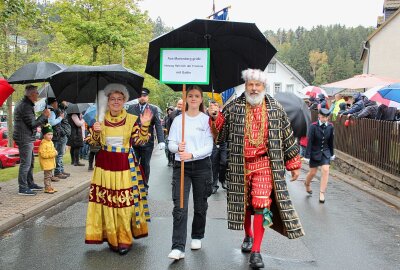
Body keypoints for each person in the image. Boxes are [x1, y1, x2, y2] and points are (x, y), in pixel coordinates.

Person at [208, 69, 304, 268]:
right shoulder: (233, 106)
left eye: (257, 85)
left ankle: (257, 251)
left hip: (264, 164)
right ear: (245, 86)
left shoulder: (275, 108)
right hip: (238, 165)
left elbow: (287, 135)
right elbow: (221, 135)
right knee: (243, 206)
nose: (253, 88)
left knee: (261, 204)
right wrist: (215, 117)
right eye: (250, 84)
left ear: (264, 86)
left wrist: (293, 163)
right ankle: (248, 236)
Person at [85, 83, 152, 255]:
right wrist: (95, 131)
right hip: (104, 166)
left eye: (119, 99)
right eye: (112, 99)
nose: (115, 102)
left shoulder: (131, 119)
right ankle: (111, 237)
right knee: (108, 203)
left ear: (124, 101)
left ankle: (124, 239)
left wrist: (144, 125)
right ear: (107, 102)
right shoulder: (99, 120)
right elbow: (93, 143)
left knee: (124, 204)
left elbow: (140, 141)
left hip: (124, 166)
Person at [167, 85, 213, 260]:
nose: (193, 99)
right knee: (180, 206)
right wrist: (178, 148)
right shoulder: (179, 120)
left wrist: (192, 153)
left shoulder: (205, 120)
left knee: (200, 205)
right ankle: (178, 246)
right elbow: (171, 143)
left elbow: (209, 146)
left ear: (201, 100)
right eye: (190, 96)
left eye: (197, 96)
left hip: (201, 166)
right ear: (186, 99)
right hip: (182, 167)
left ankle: (197, 235)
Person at [13, 85, 50, 195]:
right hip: (24, 138)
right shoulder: (25, 106)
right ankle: (23, 187)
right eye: (36, 93)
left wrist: (43, 117)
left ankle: (30, 183)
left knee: (31, 162)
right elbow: (33, 124)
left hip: (26, 137)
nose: (38, 95)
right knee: (26, 163)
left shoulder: (27, 104)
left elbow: (31, 122)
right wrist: (43, 116)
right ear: (31, 94)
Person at [127, 88, 165, 188]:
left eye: (144, 96)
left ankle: (144, 186)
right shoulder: (130, 108)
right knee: (132, 164)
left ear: (147, 97)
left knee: (145, 165)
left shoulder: (153, 109)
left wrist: (161, 140)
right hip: (134, 142)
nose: (142, 98)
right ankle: (133, 185)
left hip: (147, 143)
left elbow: (158, 125)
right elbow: (127, 125)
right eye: (140, 96)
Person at [304, 108, 335, 204]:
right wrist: (307, 156)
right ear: (319, 116)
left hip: (325, 152)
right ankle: (307, 183)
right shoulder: (313, 126)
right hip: (314, 151)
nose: (324, 119)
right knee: (313, 172)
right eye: (322, 117)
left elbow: (331, 141)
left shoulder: (330, 126)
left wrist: (332, 153)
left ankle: (322, 193)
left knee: (325, 170)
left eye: (326, 117)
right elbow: (310, 142)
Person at [47, 98, 71, 180]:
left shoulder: (54, 110)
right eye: (56, 102)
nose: (57, 104)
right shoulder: (52, 111)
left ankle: (60, 170)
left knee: (60, 154)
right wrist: (60, 118)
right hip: (57, 135)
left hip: (59, 134)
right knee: (58, 154)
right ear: (53, 103)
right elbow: (52, 122)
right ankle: (58, 172)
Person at [38, 124, 58, 194]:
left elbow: (53, 150)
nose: (50, 136)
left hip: (51, 163)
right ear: (44, 135)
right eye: (48, 134)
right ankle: (47, 188)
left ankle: (49, 186)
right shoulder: (43, 144)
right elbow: (43, 154)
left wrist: (54, 151)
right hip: (46, 164)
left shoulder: (51, 142)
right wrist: (54, 153)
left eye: (51, 134)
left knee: (49, 176)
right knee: (47, 176)